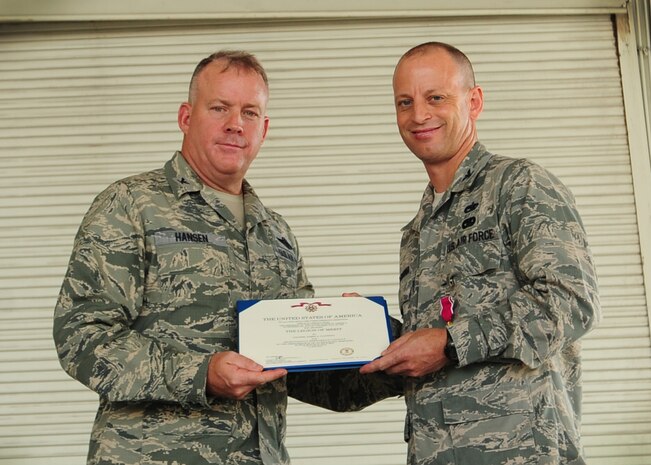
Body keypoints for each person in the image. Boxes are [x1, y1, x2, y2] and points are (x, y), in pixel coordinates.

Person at [53, 50, 315, 465]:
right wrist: (200, 373)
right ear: (186, 117)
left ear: (264, 129)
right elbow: (82, 338)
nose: (235, 124)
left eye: (250, 112)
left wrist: (375, 345)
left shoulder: (275, 232)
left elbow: (300, 365)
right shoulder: (131, 204)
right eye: (220, 108)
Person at [359, 42, 601, 464]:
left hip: (522, 452)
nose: (418, 115)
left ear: (474, 101)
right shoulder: (418, 229)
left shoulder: (519, 185)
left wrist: (450, 344)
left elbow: (571, 303)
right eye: (404, 102)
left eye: (436, 97)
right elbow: (433, 343)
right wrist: (362, 331)